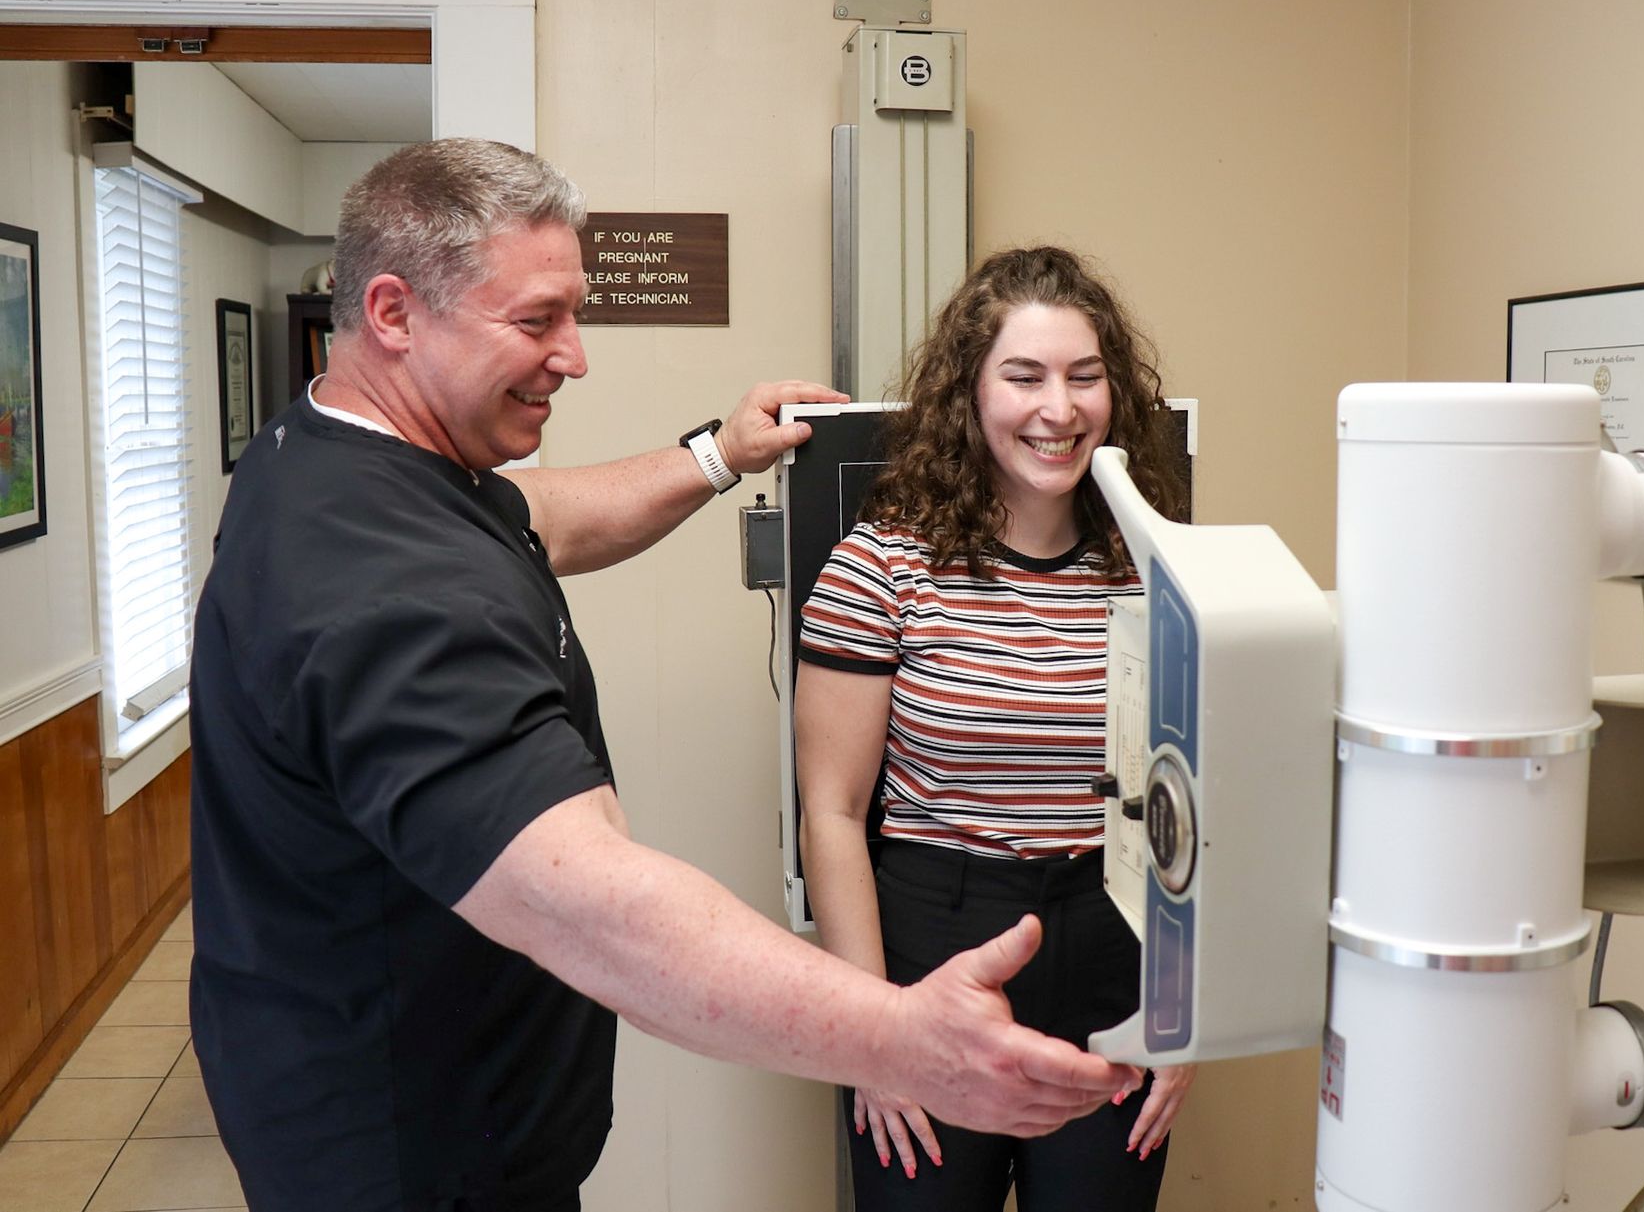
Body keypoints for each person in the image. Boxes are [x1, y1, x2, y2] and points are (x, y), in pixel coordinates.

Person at [187, 140, 1138, 1212]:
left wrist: (715, 455)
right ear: (395, 312)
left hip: (416, 1101)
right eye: (538, 319)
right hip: (404, 1151)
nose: (575, 355)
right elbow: (601, 914)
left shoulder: (355, 465)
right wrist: (894, 1037)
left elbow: (540, 520)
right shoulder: (383, 587)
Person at [795, 246, 1196, 1211]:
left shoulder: (1159, 567)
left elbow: (1195, 806)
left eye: (1084, 377)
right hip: (934, 943)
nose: (1057, 409)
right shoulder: (883, 566)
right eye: (1024, 377)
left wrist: (1185, 1017)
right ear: (970, 396)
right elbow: (835, 812)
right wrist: (872, 1036)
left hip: (1113, 945)